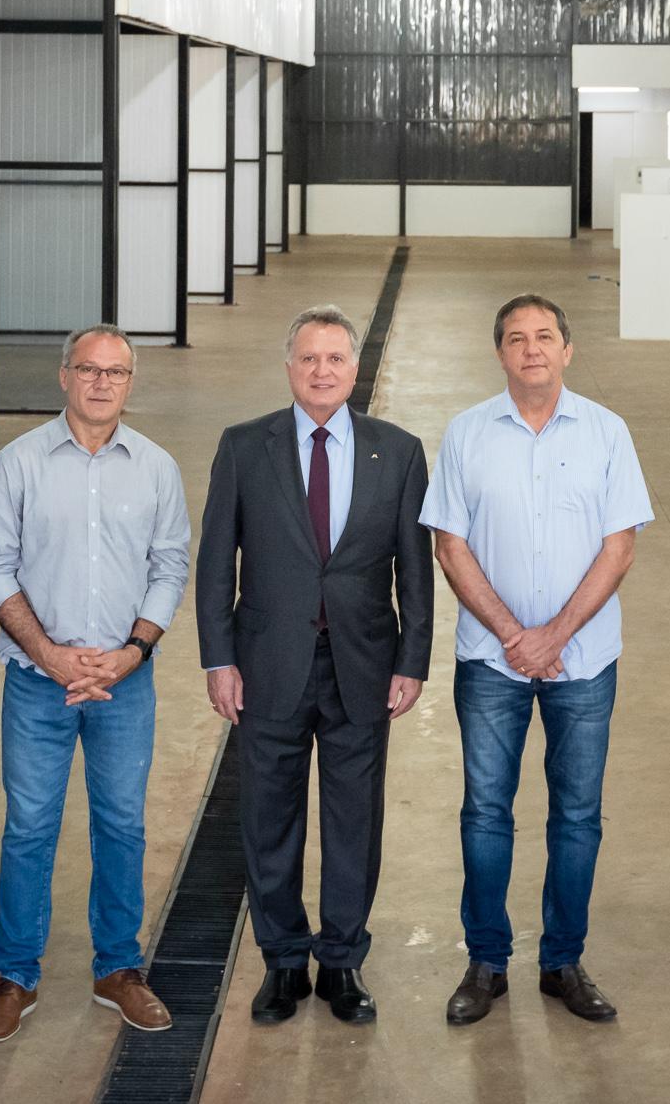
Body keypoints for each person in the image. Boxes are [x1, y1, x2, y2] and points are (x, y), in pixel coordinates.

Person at [196, 305, 434, 1025]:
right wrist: (219, 659)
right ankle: (281, 961)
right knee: (268, 817)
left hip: (364, 664)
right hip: (268, 663)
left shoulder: (398, 451)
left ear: (354, 370)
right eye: (308, 358)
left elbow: (415, 570)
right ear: (289, 367)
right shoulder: (245, 446)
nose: (321, 370)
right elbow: (216, 562)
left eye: (335, 358)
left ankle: (341, 961)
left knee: (354, 819)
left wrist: (412, 660)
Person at [422, 294, 654, 1027]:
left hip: (583, 661)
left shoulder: (608, 432)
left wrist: (554, 634)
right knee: (486, 812)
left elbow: (620, 546)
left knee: (577, 816)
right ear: (500, 353)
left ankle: (563, 961)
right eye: (517, 338)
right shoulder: (466, 433)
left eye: (545, 336)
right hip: (490, 663)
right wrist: (514, 635)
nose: (532, 349)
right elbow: (449, 545)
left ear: (567, 350)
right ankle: (486, 961)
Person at [0, 325, 191, 1043]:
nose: (101, 382)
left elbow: (170, 565)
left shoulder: (156, 468)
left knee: (122, 823)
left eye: (115, 372)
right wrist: (50, 655)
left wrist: (132, 652)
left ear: (130, 382)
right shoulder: (17, 464)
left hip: (125, 682)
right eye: (88, 369)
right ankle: (16, 975)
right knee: (29, 826)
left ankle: (118, 969)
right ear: (64, 376)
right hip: (38, 683)